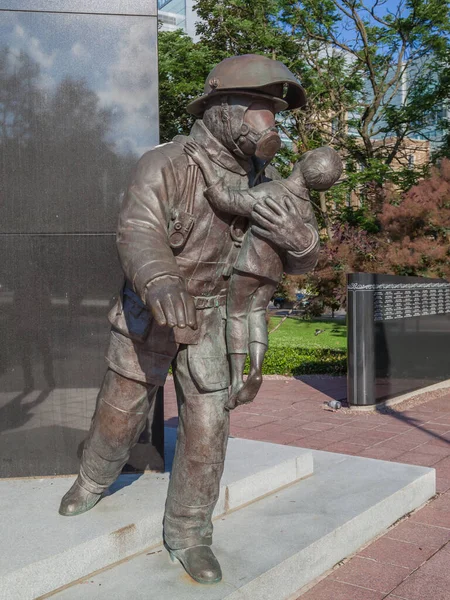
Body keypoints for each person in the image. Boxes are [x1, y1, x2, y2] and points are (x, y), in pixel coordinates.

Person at [58, 54, 320, 585]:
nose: (268, 123)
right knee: (121, 411)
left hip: (216, 319)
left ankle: (190, 530)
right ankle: (92, 478)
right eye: (258, 109)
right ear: (221, 109)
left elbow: (301, 260)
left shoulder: (270, 183)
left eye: (273, 112)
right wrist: (159, 281)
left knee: (208, 424)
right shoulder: (165, 163)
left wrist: (303, 243)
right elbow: (137, 228)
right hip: (152, 310)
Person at [183, 142, 342, 404]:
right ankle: (256, 368)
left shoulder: (270, 192)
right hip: (274, 271)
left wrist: (204, 162)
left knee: (235, 315)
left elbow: (225, 198)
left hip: (249, 265)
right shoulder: (306, 209)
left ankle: (236, 379)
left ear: (301, 161)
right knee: (257, 312)